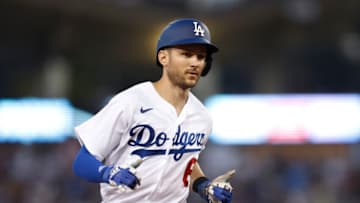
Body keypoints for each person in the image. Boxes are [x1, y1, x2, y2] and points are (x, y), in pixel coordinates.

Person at [72, 18, 235, 203]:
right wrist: (109, 173)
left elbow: (185, 164)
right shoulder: (130, 102)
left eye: (201, 57)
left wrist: (204, 186)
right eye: (186, 54)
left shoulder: (202, 117)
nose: (195, 63)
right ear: (163, 57)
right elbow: (82, 162)